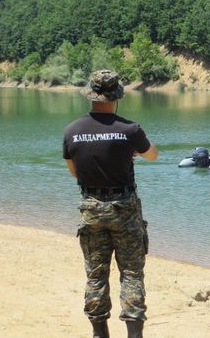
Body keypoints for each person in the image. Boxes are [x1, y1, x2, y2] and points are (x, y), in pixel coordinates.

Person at [63, 70, 158, 338]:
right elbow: (152, 154)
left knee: (95, 275)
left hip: (91, 209)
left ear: (90, 95)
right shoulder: (130, 129)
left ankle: (99, 333)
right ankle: (134, 334)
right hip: (124, 209)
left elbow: (75, 173)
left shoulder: (72, 131)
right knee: (131, 273)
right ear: (117, 97)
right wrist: (129, 153)